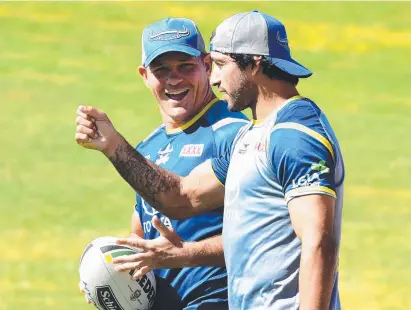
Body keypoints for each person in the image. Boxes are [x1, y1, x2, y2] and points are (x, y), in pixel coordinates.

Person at [76, 11, 344, 310]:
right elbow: (181, 197)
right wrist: (108, 272)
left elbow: (318, 241)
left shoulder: (293, 134)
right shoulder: (252, 137)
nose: (214, 78)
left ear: (254, 63)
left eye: (219, 65)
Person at [76, 17, 248, 310]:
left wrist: (184, 255)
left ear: (207, 66)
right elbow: (141, 233)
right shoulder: (147, 147)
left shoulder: (233, 134)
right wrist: (103, 272)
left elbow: (256, 237)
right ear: (144, 75)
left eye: (185, 66)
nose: (174, 79)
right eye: (161, 69)